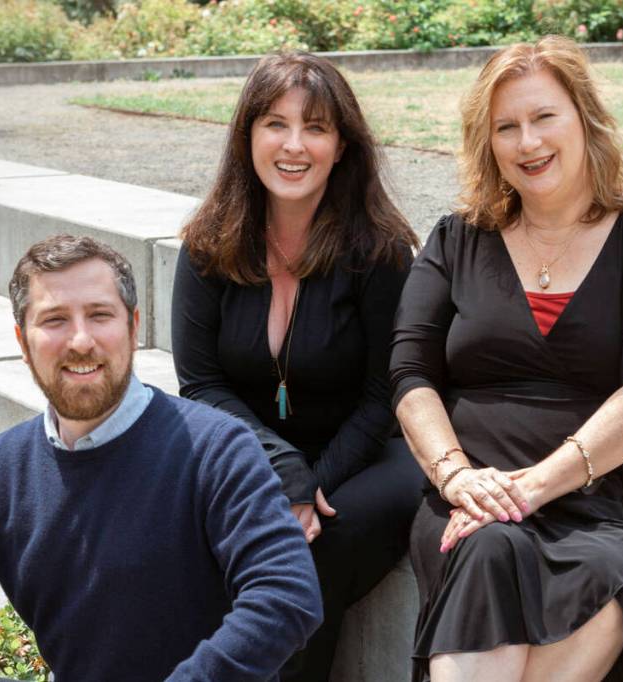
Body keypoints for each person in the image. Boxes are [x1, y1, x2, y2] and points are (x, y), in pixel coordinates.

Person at [390, 36, 623, 682]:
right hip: (474, 501)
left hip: (621, 511)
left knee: (607, 584)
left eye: (543, 117)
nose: (527, 142)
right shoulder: (455, 240)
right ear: (488, 143)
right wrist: (456, 478)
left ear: (585, 119)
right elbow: (410, 373)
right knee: (486, 550)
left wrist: (531, 488)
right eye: (506, 126)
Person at [0, 235, 323, 682]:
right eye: (55, 320)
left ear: (134, 328)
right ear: (23, 343)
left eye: (100, 315)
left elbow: (286, 595)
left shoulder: (218, 449)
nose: (81, 340)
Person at [172, 52, 426, 681]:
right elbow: (200, 384)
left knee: (309, 548)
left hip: (363, 456)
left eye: (315, 127)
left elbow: (384, 392)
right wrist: (283, 473)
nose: (294, 145)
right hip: (248, 450)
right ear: (247, 136)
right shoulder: (208, 244)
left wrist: (312, 487)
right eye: (275, 124)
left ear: (342, 147)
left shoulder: (381, 250)